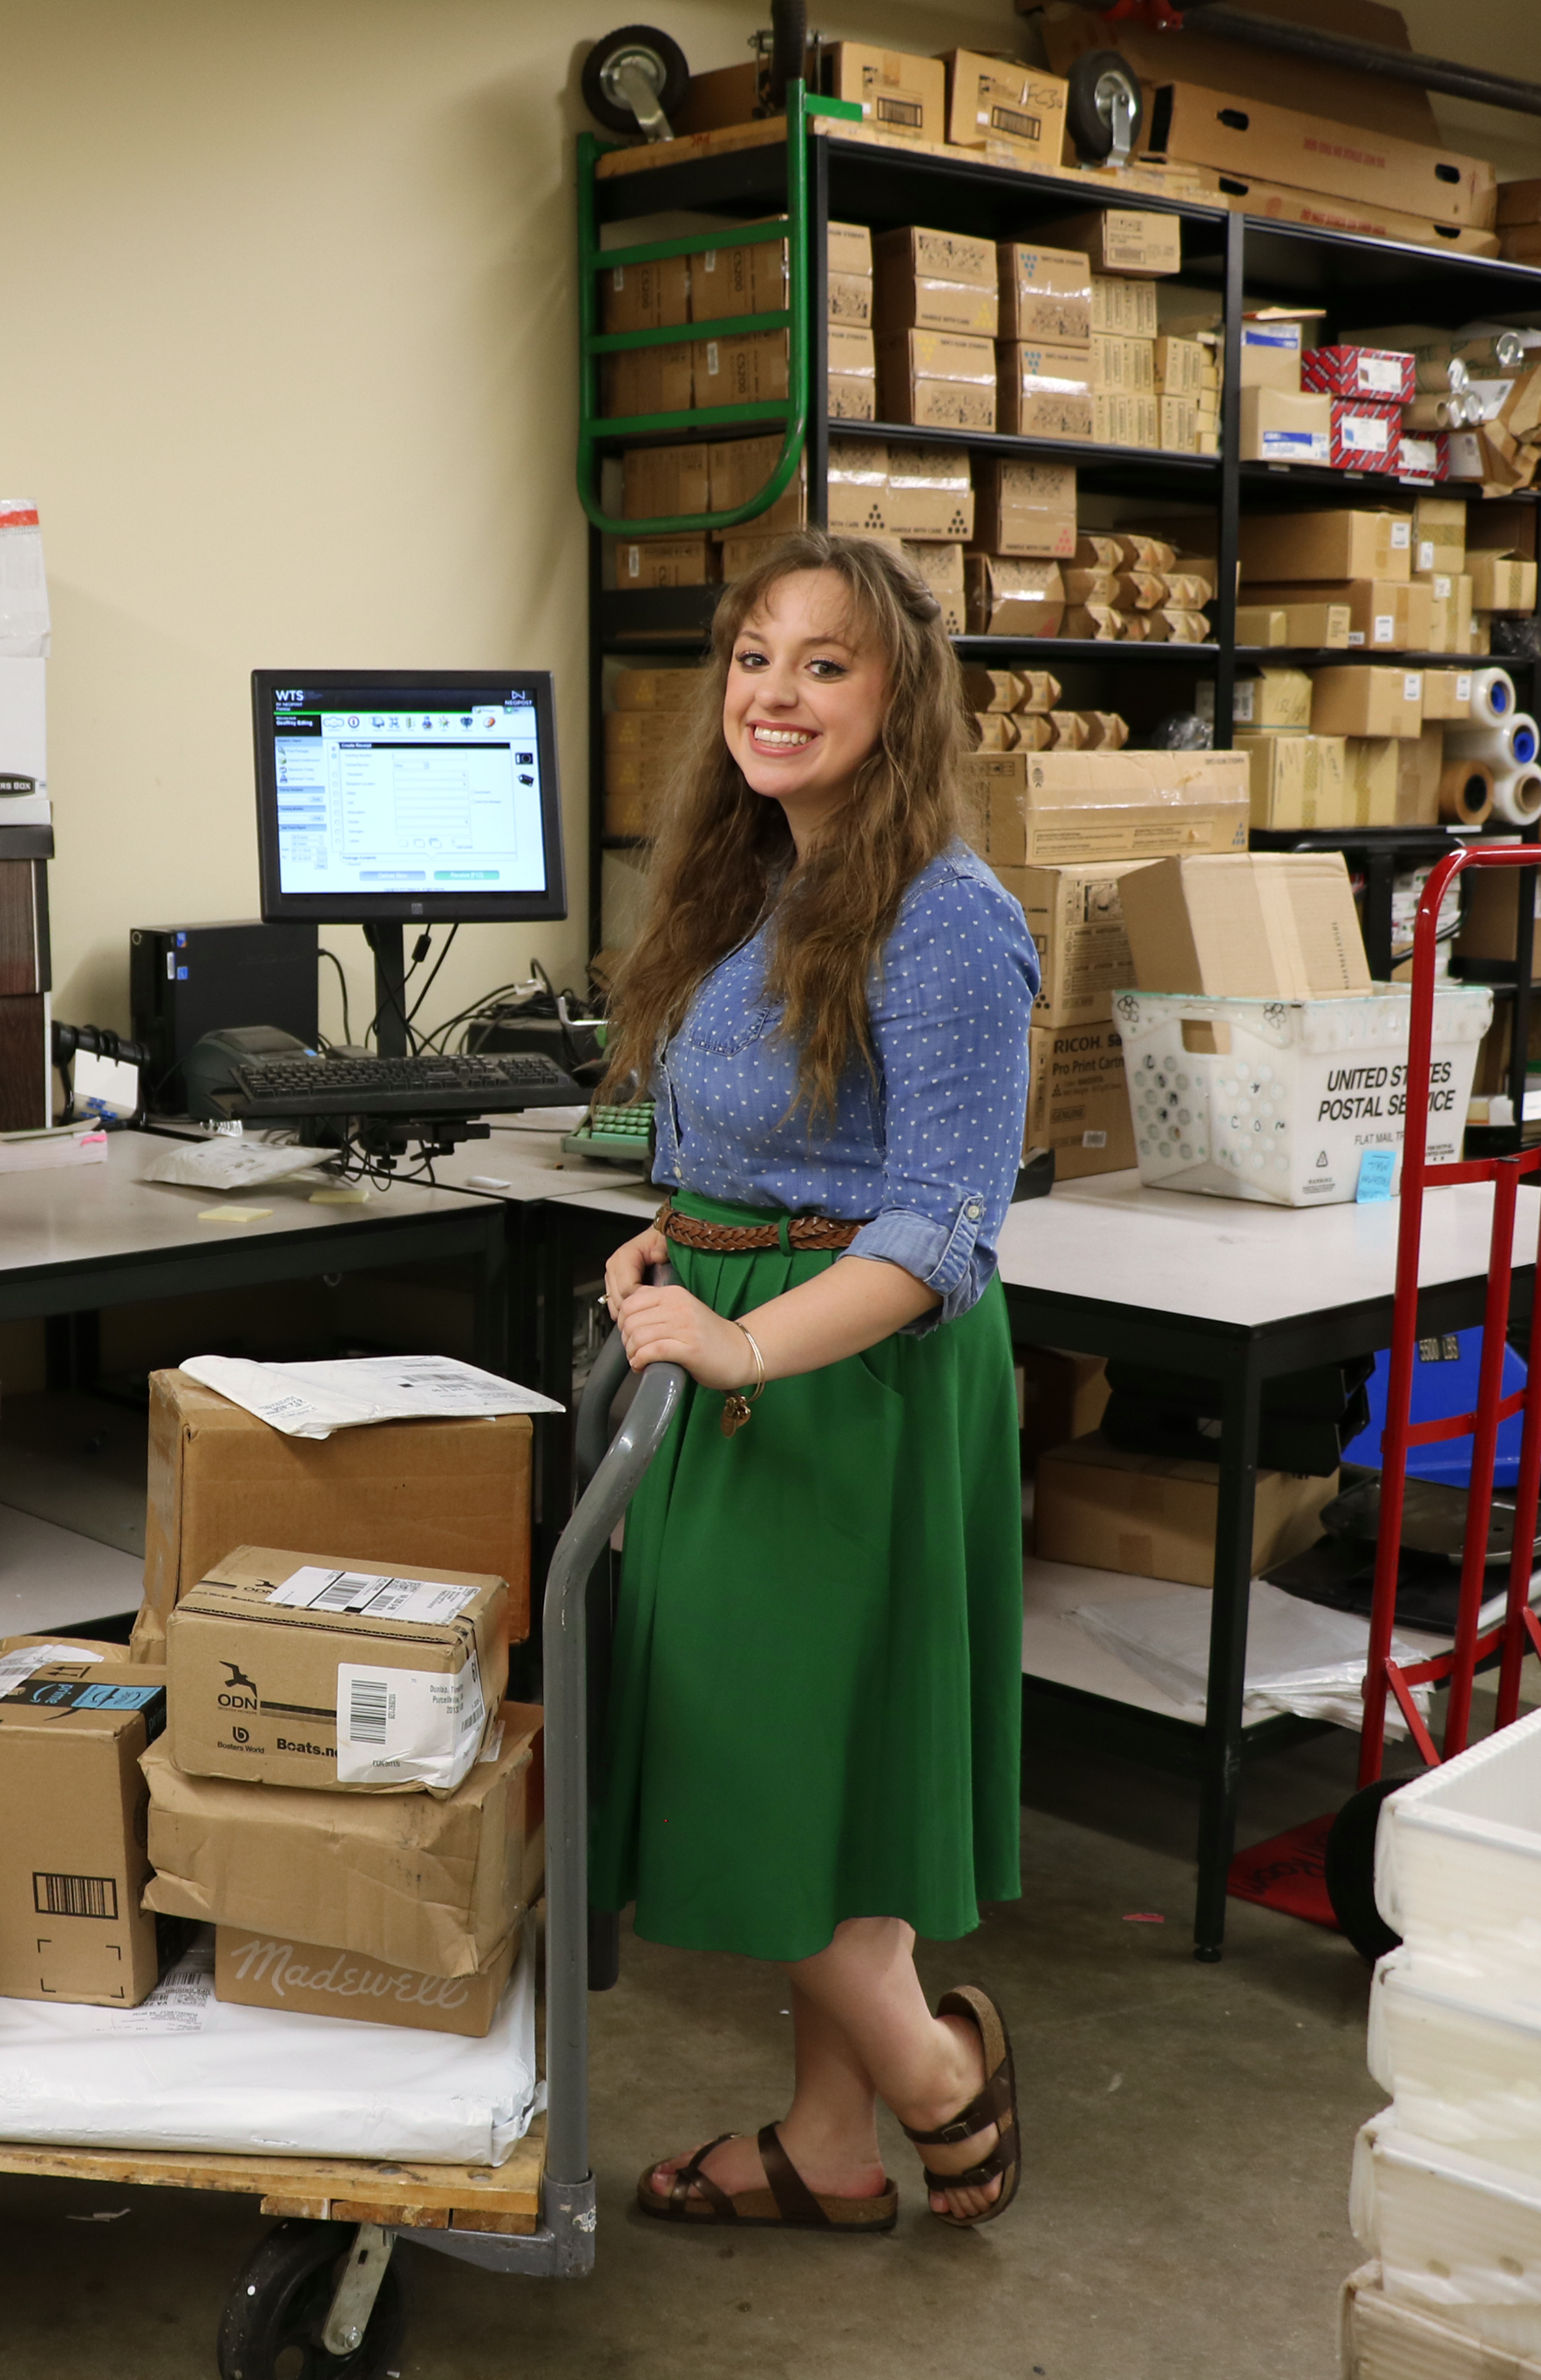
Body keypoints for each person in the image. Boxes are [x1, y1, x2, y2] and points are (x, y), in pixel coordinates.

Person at [591, 530, 1041, 2236]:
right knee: (820, 1772)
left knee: (740, 1757)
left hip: (838, 1379)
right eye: (752, 657)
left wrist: (742, 1335)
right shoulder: (758, 871)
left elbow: (941, 1226)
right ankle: (828, 2144)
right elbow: (761, 1130)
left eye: (822, 664)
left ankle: (934, 2085)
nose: (772, 695)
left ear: (894, 697)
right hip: (732, 1340)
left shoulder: (946, 920)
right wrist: (668, 1235)